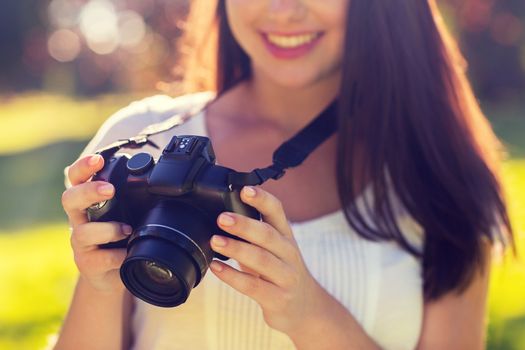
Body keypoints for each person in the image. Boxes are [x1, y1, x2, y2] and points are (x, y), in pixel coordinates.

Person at [55, 0, 513, 349]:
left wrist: (309, 314)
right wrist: (100, 285)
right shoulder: (138, 139)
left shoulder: (441, 175)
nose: (283, 11)